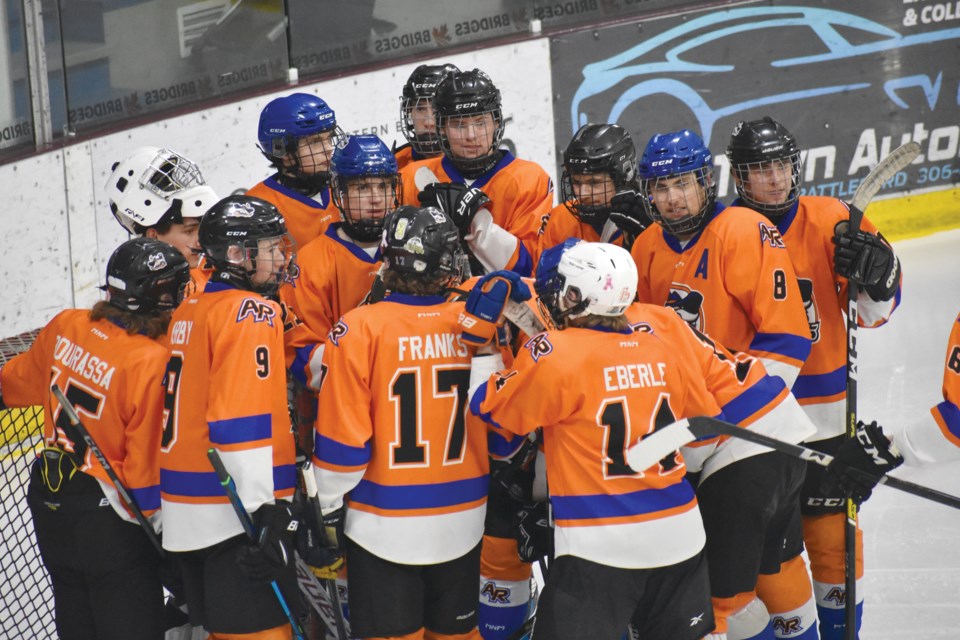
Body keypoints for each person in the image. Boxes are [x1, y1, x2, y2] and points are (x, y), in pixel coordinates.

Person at [467, 241, 716, 640]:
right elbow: (699, 442)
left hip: (600, 547)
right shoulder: (661, 346)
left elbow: (487, 410)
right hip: (682, 540)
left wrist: (482, 346)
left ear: (576, 296)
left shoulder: (556, 354)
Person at [631, 129, 818, 639]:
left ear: (703, 181)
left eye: (683, 183)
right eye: (660, 186)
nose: (672, 197)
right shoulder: (647, 246)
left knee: (729, 595)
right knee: (770, 569)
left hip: (750, 435)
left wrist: (726, 424)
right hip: (710, 436)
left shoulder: (743, 228)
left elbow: (787, 342)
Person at [726, 116, 903, 640]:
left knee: (835, 551)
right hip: (754, 426)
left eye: (781, 164)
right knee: (765, 565)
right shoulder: (724, 230)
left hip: (824, 420)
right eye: (760, 169)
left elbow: (876, 311)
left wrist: (879, 272)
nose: (775, 179)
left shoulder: (832, 219)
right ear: (740, 177)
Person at [309, 204, 487, 640]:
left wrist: (326, 507)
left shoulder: (359, 327)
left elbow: (343, 446)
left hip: (381, 527)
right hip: (464, 521)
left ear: (388, 259)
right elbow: (501, 420)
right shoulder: (477, 323)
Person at [1, 237, 190, 640]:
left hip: (50, 502)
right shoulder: (152, 362)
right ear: (161, 297)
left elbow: (14, 386)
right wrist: (168, 540)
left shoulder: (67, 324)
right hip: (111, 523)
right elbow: (142, 474)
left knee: (77, 621)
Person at [159, 195, 303, 639]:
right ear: (239, 255)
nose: (280, 257)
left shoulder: (190, 308)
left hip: (186, 512)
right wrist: (266, 512)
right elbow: (239, 419)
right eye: (270, 247)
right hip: (235, 517)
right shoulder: (251, 311)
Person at [399, 68, 553, 277]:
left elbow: (527, 269)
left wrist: (476, 219)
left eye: (481, 123)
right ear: (441, 128)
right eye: (459, 125)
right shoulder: (411, 178)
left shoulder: (529, 178)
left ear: (497, 122)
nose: (471, 135)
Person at [280, 134, 400, 345]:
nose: (377, 198)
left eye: (384, 186)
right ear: (339, 192)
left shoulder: (416, 248)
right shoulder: (309, 265)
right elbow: (306, 352)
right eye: (362, 188)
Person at [105, 145, 219, 295]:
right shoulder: (142, 296)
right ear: (153, 236)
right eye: (189, 231)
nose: (200, 242)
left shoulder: (213, 274)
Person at [538, 123, 651, 260]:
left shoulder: (650, 220)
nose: (583, 194)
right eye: (576, 182)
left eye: (594, 183)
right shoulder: (560, 219)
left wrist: (643, 244)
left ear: (623, 177)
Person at [248, 93, 345, 250]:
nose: (328, 149)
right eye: (314, 142)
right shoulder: (256, 208)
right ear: (282, 150)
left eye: (329, 138)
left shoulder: (349, 182)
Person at [395, 62, 460, 170]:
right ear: (409, 111)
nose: (429, 122)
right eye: (420, 108)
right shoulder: (394, 165)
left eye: (437, 109)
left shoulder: (477, 161)